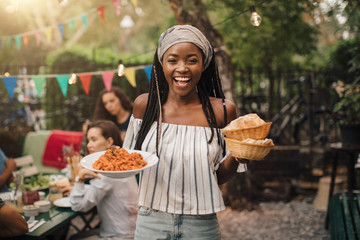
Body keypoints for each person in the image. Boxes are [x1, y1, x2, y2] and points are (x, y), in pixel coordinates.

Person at [122, 25, 248, 239]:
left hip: (201, 224)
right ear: (162, 64)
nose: (182, 68)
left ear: (204, 64)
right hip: (151, 220)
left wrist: (239, 154)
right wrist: (114, 159)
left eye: (192, 60)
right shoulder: (145, 106)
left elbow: (219, 177)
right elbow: (131, 163)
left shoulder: (223, 111)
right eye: (173, 60)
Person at [69, 120, 138, 240]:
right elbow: (107, 189)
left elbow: (78, 206)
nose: (89, 145)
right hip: (132, 231)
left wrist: (79, 179)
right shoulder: (121, 164)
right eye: (88, 140)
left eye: (94, 140)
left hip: (118, 236)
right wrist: (82, 187)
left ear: (109, 142)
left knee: (72, 238)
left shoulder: (108, 173)